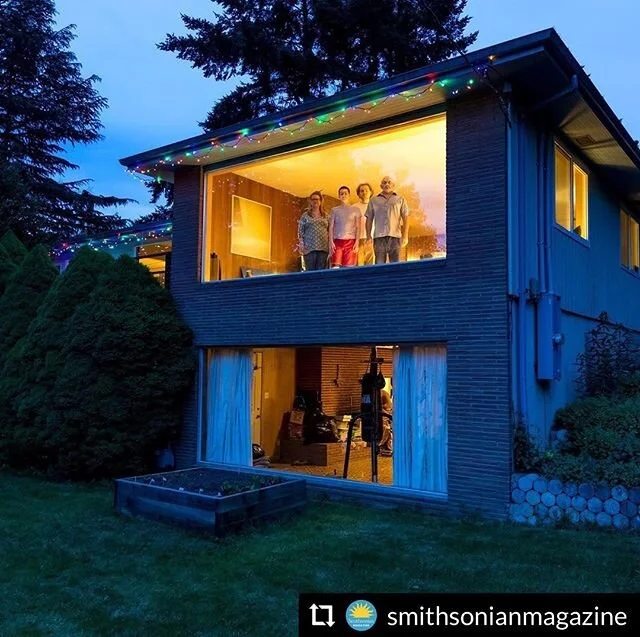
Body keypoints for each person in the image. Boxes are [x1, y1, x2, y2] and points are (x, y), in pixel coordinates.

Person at [365, 176, 409, 264]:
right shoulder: (373, 200)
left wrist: (405, 236)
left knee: (395, 265)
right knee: (379, 265)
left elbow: (406, 218)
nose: (387, 184)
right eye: (384, 182)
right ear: (381, 186)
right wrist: (368, 236)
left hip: (395, 237)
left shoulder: (400, 199)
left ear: (393, 185)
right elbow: (369, 219)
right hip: (379, 238)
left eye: (389, 182)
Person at [328, 186, 360, 268]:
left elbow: (358, 227)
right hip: (337, 242)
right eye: (341, 193)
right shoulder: (334, 210)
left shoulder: (356, 210)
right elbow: (331, 227)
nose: (343, 195)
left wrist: (357, 242)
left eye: (345, 193)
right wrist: (331, 242)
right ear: (339, 196)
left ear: (349, 195)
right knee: (335, 266)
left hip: (351, 241)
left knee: (349, 267)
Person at [297, 191, 329, 270]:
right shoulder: (305, 215)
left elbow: (330, 231)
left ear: (321, 201)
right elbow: (300, 231)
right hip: (309, 248)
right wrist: (301, 244)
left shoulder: (326, 216)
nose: (315, 201)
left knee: (321, 272)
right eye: (313, 199)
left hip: (323, 248)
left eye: (317, 199)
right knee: (310, 272)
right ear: (310, 201)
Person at [354, 182, 374, 266]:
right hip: (358, 240)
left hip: (372, 240)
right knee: (359, 266)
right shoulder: (354, 207)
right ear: (358, 194)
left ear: (370, 192)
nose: (364, 192)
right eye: (361, 191)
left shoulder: (376, 206)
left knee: (371, 266)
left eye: (366, 190)